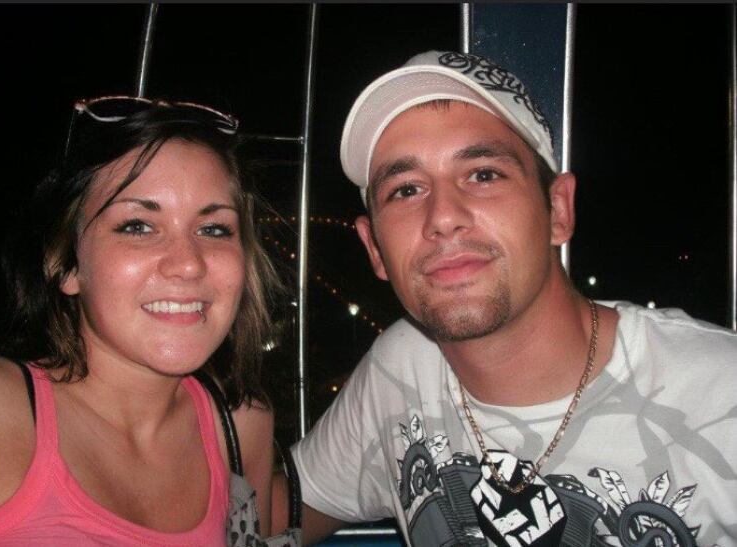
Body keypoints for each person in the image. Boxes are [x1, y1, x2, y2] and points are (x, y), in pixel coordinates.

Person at [281, 51, 737, 546]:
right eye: (406, 190)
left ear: (558, 209)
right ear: (375, 249)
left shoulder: (719, 391)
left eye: (483, 174)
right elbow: (278, 513)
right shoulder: (401, 370)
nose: (442, 217)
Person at [0, 97, 284, 545]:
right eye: (137, 226)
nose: (188, 265)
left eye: (214, 229)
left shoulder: (242, 429)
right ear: (66, 265)